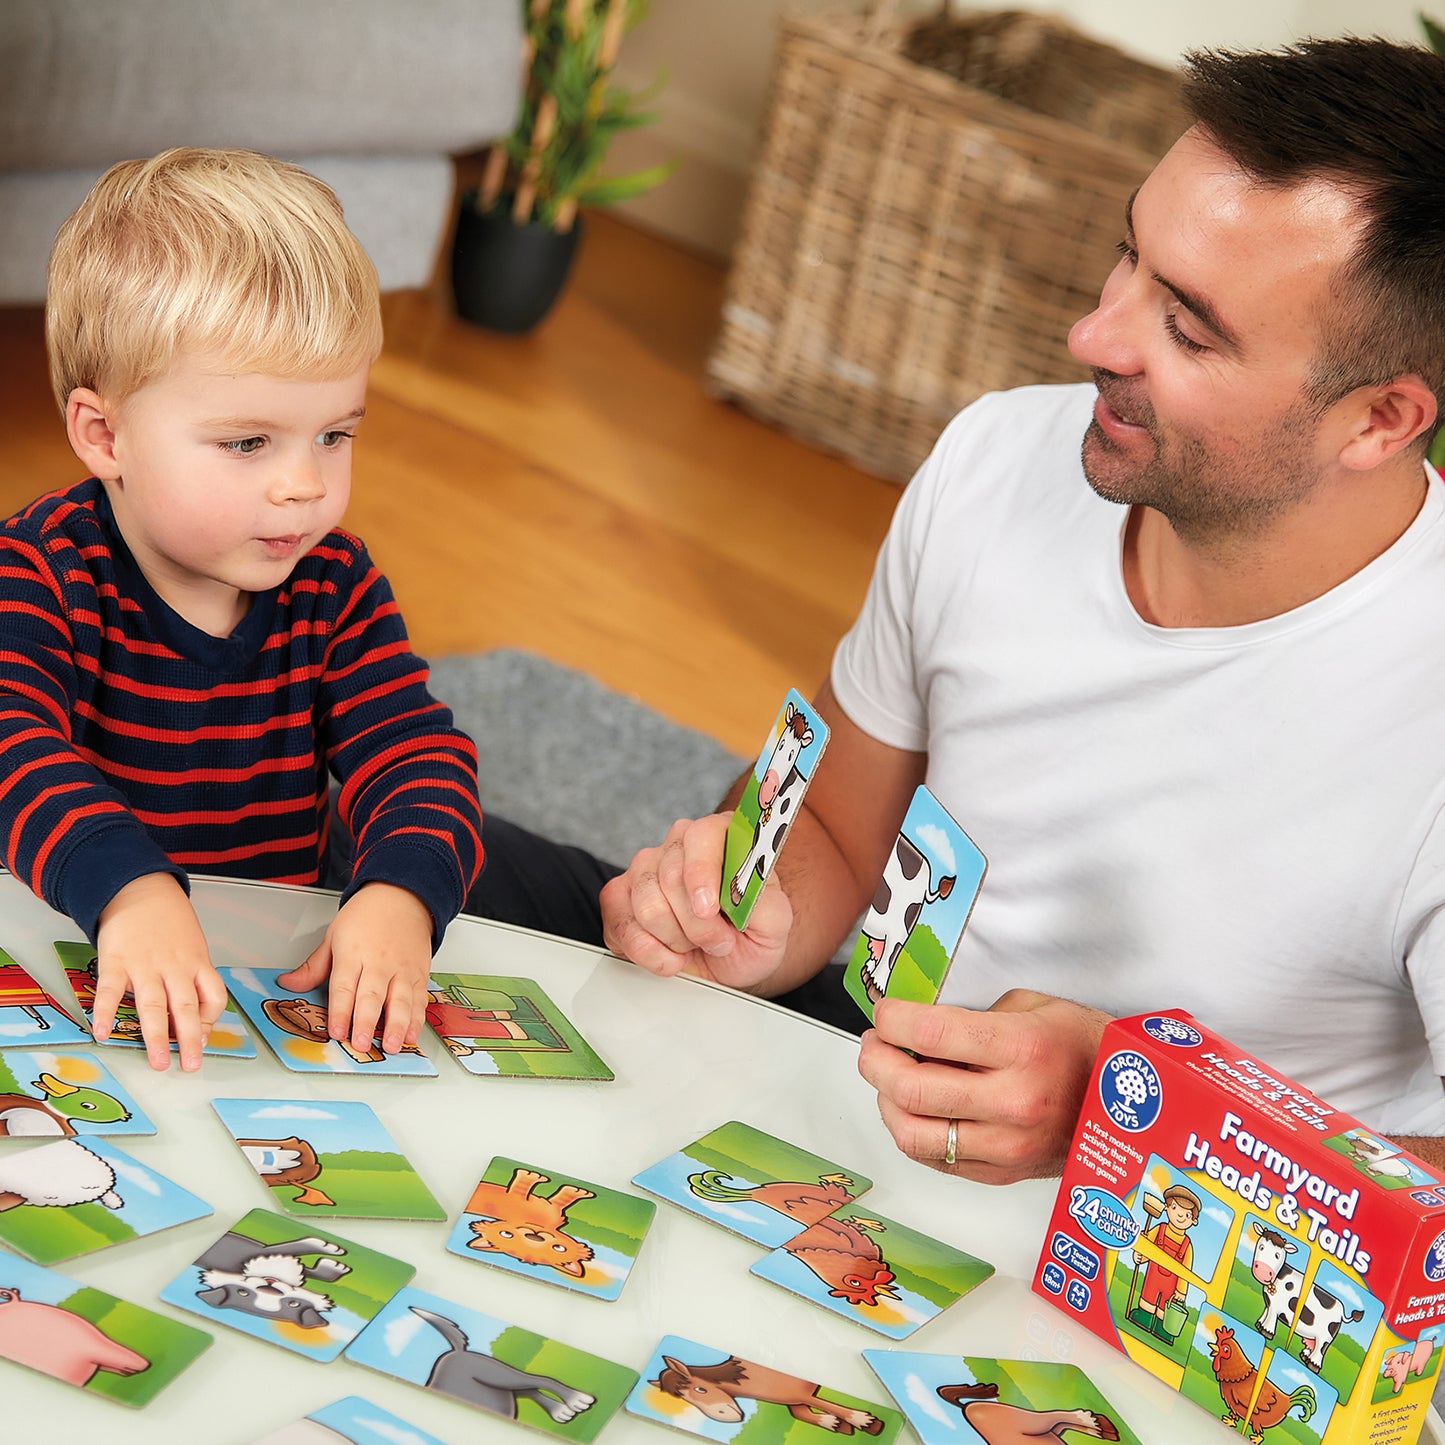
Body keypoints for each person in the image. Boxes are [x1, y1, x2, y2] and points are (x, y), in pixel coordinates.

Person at [599, 37, 1445, 1182]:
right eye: (1125, 257)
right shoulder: (999, 453)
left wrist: (1128, 1126)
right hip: (863, 1078)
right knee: (409, 894)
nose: (1092, 336)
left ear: (1379, 421)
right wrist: (758, 921)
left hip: (1171, 1273)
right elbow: (844, 830)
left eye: (1187, 329)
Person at [10, 147, 483, 1071]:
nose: (303, 486)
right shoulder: (37, 574)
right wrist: (133, 891)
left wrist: (398, 895)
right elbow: (11, 747)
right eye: (248, 442)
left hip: (250, 996)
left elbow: (418, 753)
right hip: (53, 964)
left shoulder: (334, 584)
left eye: (335, 434)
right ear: (103, 434)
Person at [1129, 1184, 1200, 1342]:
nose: (1180, 1215)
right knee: (1148, 1296)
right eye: (1175, 1207)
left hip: (1172, 1284)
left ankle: (1163, 1329)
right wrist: (1140, 1256)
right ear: (1166, 1208)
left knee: (1165, 1307)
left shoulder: (1187, 1245)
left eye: (1187, 1214)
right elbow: (1147, 1247)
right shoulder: (1159, 1229)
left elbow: (1186, 1271)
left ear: (1193, 1221)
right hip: (1153, 1276)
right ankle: (1144, 1317)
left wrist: (1181, 1291)